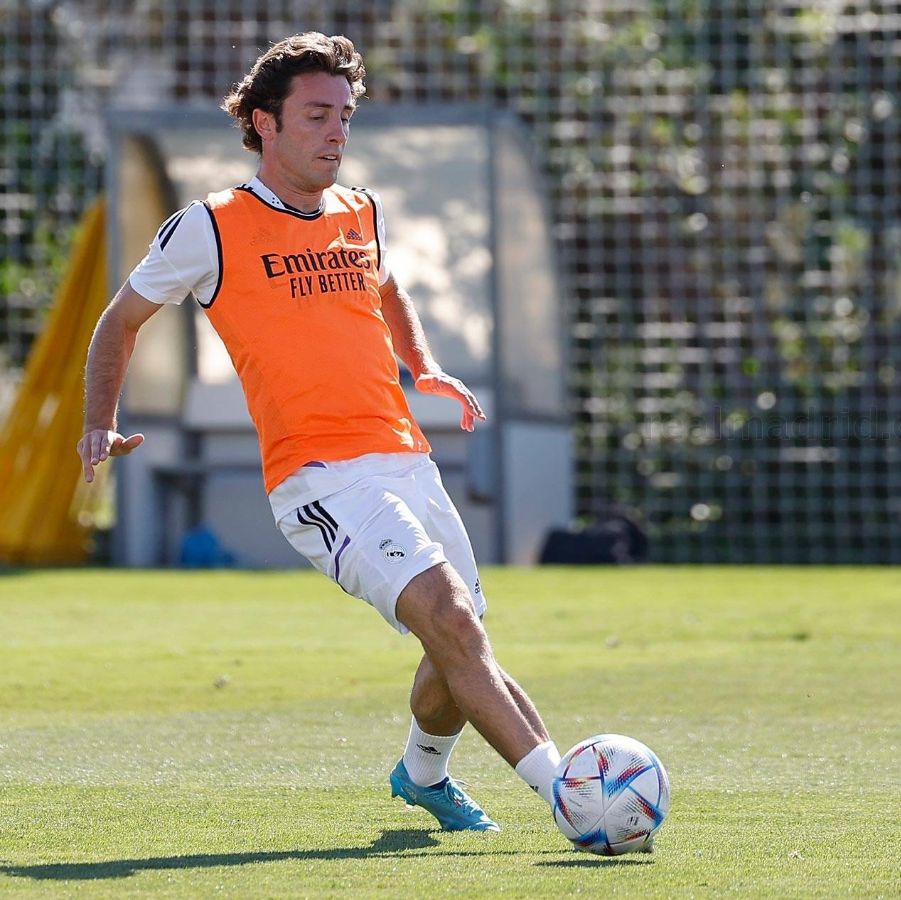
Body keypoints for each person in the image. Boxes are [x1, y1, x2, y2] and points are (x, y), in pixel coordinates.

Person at [77, 32, 567, 835]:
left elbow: (386, 285)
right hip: (319, 477)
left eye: (344, 115)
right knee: (448, 618)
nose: (336, 132)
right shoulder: (210, 226)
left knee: (460, 637)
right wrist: (100, 422)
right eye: (316, 116)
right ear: (264, 123)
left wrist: (424, 365)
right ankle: (568, 791)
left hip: (406, 456)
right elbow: (117, 321)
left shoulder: (358, 209)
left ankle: (422, 776)